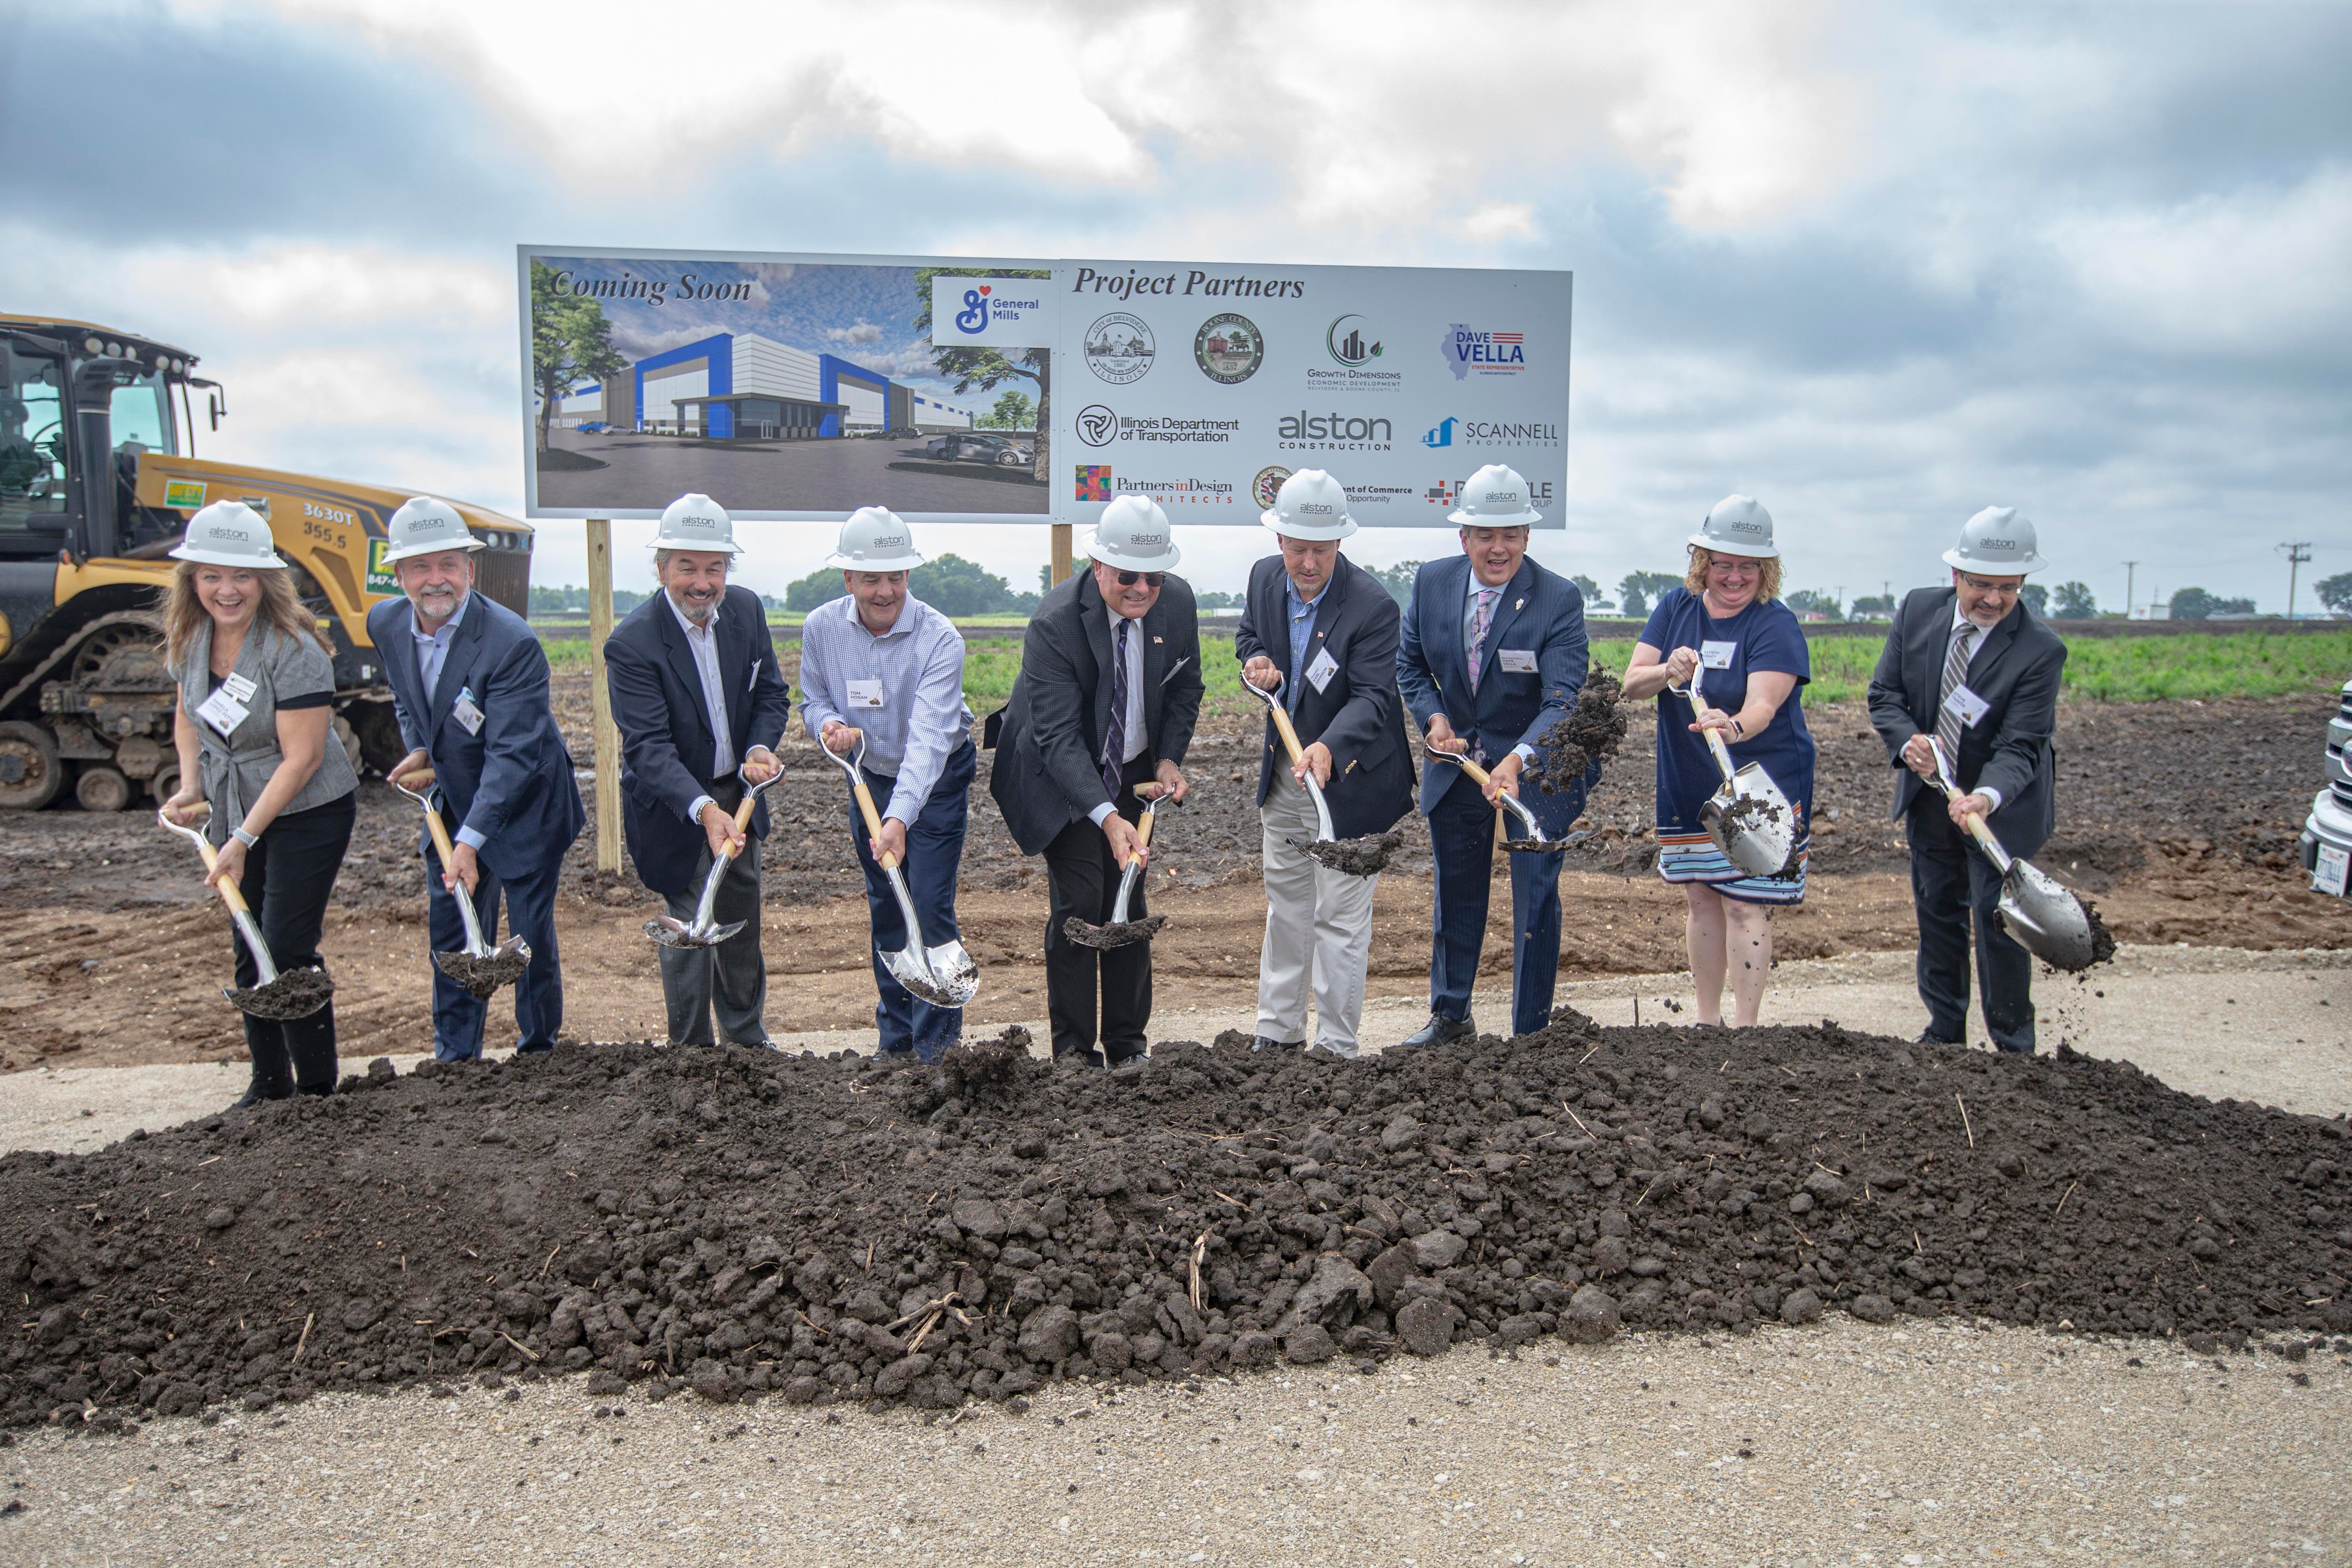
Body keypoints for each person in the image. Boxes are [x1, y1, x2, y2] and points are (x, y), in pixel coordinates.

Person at [987, 495, 1204, 1068]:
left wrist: (1167, 761)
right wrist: (1106, 818)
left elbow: (1185, 690)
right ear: (1098, 565)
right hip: (1057, 769)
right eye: (1127, 575)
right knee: (1081, 902)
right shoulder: (1055, 622)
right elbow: (1057, 739)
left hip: (1132, 767)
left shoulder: (1176, 605)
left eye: (1152, 577)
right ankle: (1074, 1052)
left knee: (1129, 897)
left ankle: (1129, 1047)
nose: (1140, 588)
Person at [368, 496, 584, 1062]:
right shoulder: (385, 623)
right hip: (454, 800)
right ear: (399, 574)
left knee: (529, 932)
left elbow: (512, 756)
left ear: (470, 568)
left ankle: (539, 1051)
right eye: (421, 567)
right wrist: (420, 748)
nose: (435, 580)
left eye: (448, 565)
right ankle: (456, 1057)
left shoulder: (509, 642)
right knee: (454, 927)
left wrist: (470, 841)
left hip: (530, 801)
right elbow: (407, 699)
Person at [159, 501, 360, 1105]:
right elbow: (188, 716)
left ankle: (319, 1088)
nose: (227, 590)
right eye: (212, 575)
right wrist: (192, 786)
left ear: (264, 580)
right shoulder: (191, 637)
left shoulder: (291, 647)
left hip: (308, 811)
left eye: (241, 575)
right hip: (233, 803)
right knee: (249, 941)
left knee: (286, 942)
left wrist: (242, 840)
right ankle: (269, 1085)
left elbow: (301, 759)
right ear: (192, 580)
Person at [1394, 464, 1597, 1047]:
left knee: (1534, 898)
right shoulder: (1432, 583)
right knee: (1456, 891)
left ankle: (1531, 1032)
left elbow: (1562, 698)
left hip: (1535, 771)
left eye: (1511, 533)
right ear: (1464, 537)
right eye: (1485, 534)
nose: (1498, 546)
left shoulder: (1557, 599)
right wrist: (1435, 720)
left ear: (1528, 537)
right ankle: (1450, 1016)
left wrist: (1520, 758)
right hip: (1458, 766)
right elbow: (1411, 666)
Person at [1866, 507, 2067, 1054]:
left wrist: (1984, 796)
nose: (1994, 600)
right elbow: (1885, 696)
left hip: (1999, 810)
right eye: (1981, 584)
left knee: (1998, 923)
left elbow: (2022, 744)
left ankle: (2011, 1044)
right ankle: (1944, 1033)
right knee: (1939, 916)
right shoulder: (1916, 611)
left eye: (2008, 587)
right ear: (1956, 575)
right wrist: (1908, 740)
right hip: (1931, 796)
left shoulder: (2039, 650)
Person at [1235, 470, 1412, 1057]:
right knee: (1287, 903)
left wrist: (1330, 747)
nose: (1308, 562)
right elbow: (1247, 639)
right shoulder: (1264, 578)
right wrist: (1258, 661)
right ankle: (1278, 1029)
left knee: (1338, 913)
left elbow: (1373, 698)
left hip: (1353, 782)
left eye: (1321, 548)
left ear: (1340, 543)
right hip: (1287, 776)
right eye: (1298, 547)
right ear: (1279, 540)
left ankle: (1336, 1043)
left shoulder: (1372, 606)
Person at [604, 494, 793, 1047]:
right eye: (687, 566)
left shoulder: (746, 611)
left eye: (715, 567)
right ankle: (689, 1054)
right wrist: (704, 810)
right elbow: (648, 747)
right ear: (662, 567)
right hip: (674, 804)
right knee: (689, 926)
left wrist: (759, 749)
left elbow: (772, 696)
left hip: (740, 794)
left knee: (739, 920)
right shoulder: (633, 643)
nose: (702, 582)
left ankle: (746, 1042)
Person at [1621, 495, 1816, 1028]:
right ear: (1701, 561)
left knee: (1744, 903)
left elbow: (1763, 706)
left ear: (1765, 570)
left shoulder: (1773, 624)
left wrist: (1730, 725)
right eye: (1723, 564)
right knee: (1702, 897)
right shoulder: (1675, 608)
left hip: (1757, 786)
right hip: (1689, 779)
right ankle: (1707, 1024)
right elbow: (1631, 684)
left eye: (1747, 566)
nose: (1733, 577)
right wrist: (1668, 669)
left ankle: (1746, 1028)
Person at [797, 507, 976, 1063]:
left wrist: (898, 820)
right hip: (867, 777)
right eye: (871, 579)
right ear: (847, 578)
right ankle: (895, 1045)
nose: (884, 591)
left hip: (937, 778)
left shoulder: (939, 639)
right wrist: (825, 725)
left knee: (926, 903)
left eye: (896, 577)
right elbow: (813, 699)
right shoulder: (821, 628)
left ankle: (937, 1055)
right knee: (885, 905)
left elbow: (927, 744)